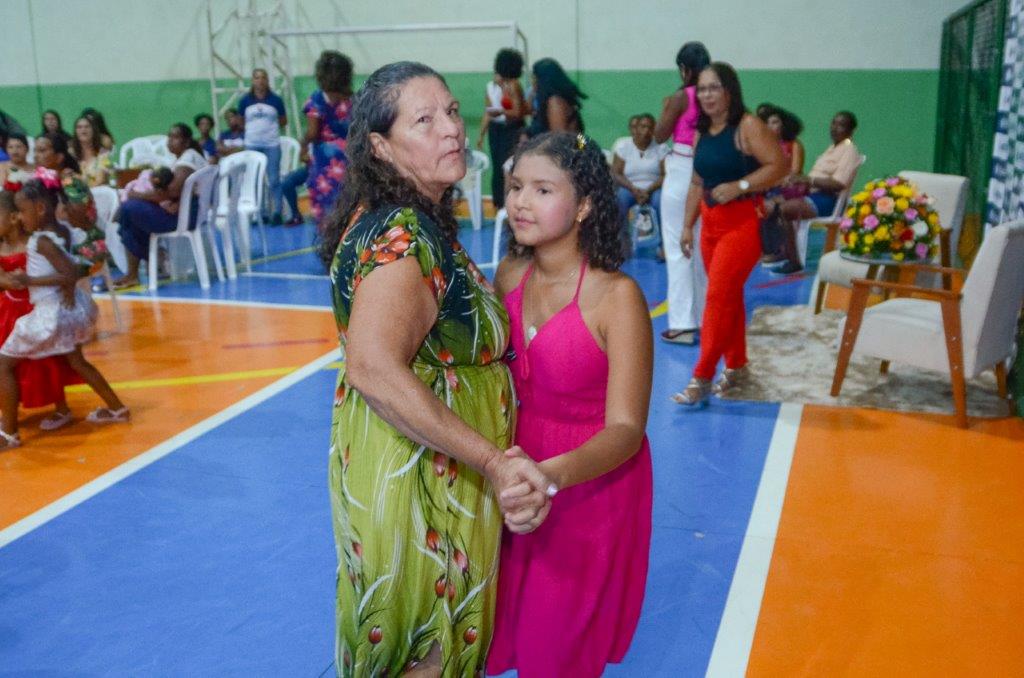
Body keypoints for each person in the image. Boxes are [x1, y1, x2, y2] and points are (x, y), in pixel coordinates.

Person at [319, 61, 554, 676]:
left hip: (422, 463)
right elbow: (373, 367)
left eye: (451, 111)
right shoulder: (402, 235)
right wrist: (494, 462)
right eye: (424, 120)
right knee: (429, 648)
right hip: (424, 480)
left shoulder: (405, 217)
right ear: (380, 146)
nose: (451, 128)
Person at [486, 132, 654, 677]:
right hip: (515, 472)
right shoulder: (509, 274)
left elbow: (626, 428)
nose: (521, 202)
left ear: (583, 206)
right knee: (500, 627)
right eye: (516, 186)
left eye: (542, 190)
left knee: (555, 648)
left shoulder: (616, 297)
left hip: (587, 483)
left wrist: (552, 476)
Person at [672, 63, 788, 407]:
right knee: (728, 297)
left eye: (714, 88)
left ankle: (701, 376)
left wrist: (741, 185)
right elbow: (697, 183)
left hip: (743, 223)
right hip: (710, 224)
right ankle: (737, 366)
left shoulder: (748, 126)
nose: (706, 95)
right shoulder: (701, 133)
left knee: (717, 298)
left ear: (729, 91)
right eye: (702, 89)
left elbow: (779, 166)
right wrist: (687, 225)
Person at [0, 174, 128, 449]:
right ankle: (117, 408)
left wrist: (30, 280)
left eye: (22, 211)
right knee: (77, 361)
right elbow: (72, 269)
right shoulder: (64, 231)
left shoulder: (40, 241)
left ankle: (9, 434)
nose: (19, 218)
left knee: (3, 364)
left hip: (50, 314)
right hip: (68, 309)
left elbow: (68, 273)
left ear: (39, 209)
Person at [0, 191, 80, 430]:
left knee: (47, 359)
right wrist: (6, 282)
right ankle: (8, 409)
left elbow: (61, 271)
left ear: (14, 217)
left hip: (35, 307)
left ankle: (61, 407)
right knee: (11, 361)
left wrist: (23, 281)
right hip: (7, 310)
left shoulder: (35, 244)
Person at [654, 41, 711, 345]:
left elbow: (659, 134)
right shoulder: (713, 95)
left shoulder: (682, 96)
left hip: (681, 168)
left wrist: (667, 108)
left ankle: (682, 324)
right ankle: (704, 319)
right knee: (699, 248)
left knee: (677, 249)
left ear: (684, 68)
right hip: (706, 169)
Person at [113, 124, 207, 288]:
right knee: (130, 217)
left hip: (184, 217)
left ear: (186, 142)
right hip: (188, 213)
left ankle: (148, 263)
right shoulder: (189, 157)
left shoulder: (188, 160)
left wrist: (136, 194)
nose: (170, 141)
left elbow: (171, 192)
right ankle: (152, 261)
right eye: (169, 136)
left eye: (175, 137)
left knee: (128, 209)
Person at [773, 110, 861, 274]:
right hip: (813, 194)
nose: (834, 128)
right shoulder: (832, 148)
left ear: (851, 130)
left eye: (841, 125)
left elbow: (838, 184)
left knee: (784, 210)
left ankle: (794, 260)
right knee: (772, 203)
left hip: (828, 200)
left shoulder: (849, 151)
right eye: (833, 123)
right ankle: (785, 251)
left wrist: (809, 180)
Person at [301, 50, 353, 229]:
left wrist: (303, 144)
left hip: (325, 162)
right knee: (350, 207)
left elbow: (313, 133)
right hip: (350, 158)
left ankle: (329, 241)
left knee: (326, 210)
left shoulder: (316, 101)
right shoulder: (353, 99)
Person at [475, 48, 527, 209]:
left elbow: (517, 113)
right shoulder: (490, 87)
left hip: (512, 129)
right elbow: (489, 112)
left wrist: (502, 108)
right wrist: (481, 135)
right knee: (497, 168)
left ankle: (510, 204)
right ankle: (499, 205)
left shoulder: (514, 85)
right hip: (496, 129)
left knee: (509, 167)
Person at [612, 113, 667, 248]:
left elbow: (664, 175)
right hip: (629, 187)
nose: (646, 131)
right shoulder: (624, 146)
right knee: (621, 199)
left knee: (660, 201)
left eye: (650, 127)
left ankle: (663, 245)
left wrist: (648, 190)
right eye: (643, 127)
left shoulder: (661, 147)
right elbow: (616, 173)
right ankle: (620, 243)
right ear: (635, 128)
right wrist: (633, 189)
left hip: (654, 188)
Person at [239, 68, 287, 223]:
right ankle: (260, 213)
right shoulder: (245, 101)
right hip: (252, 145)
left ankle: (277, 212)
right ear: (253, 81)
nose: (260, 80)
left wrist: (268, 130)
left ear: (267, 80)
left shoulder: (276, 100)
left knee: (273, 179)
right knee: (256, 180)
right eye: (257, 77)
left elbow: (283, 120)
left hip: (272, 145)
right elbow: (241, 121)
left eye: (263, 77)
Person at [527, 58, 586, 136]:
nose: (532, 80)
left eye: (534, 77)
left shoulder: (555, 102)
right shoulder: (550, 98)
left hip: (571, 143)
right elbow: (528, 110)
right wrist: (533, 93)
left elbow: (559, 138)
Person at [71, 116, 113, 188]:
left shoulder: (102, 153)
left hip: (98, 191)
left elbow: (101, 181)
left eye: (87, 127)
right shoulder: (71, 153)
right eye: (79, 127)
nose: (83, 130)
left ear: (93, 130)